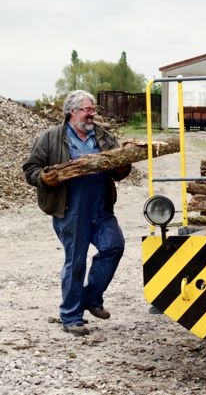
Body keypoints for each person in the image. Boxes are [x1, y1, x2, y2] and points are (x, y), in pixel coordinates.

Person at [23, 90, 131, 336]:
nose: (92, 113)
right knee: (77, 261)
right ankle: (71, 316)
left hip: (101, 208)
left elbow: (119, 169)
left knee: (115, 246)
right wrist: (44, 178)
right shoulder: (51, 138)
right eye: (87, 109)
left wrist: (124, 166)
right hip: (71, 210)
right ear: (72, 112)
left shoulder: (103, 137)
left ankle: (91, 298)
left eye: (93, 109)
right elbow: (30, 168)